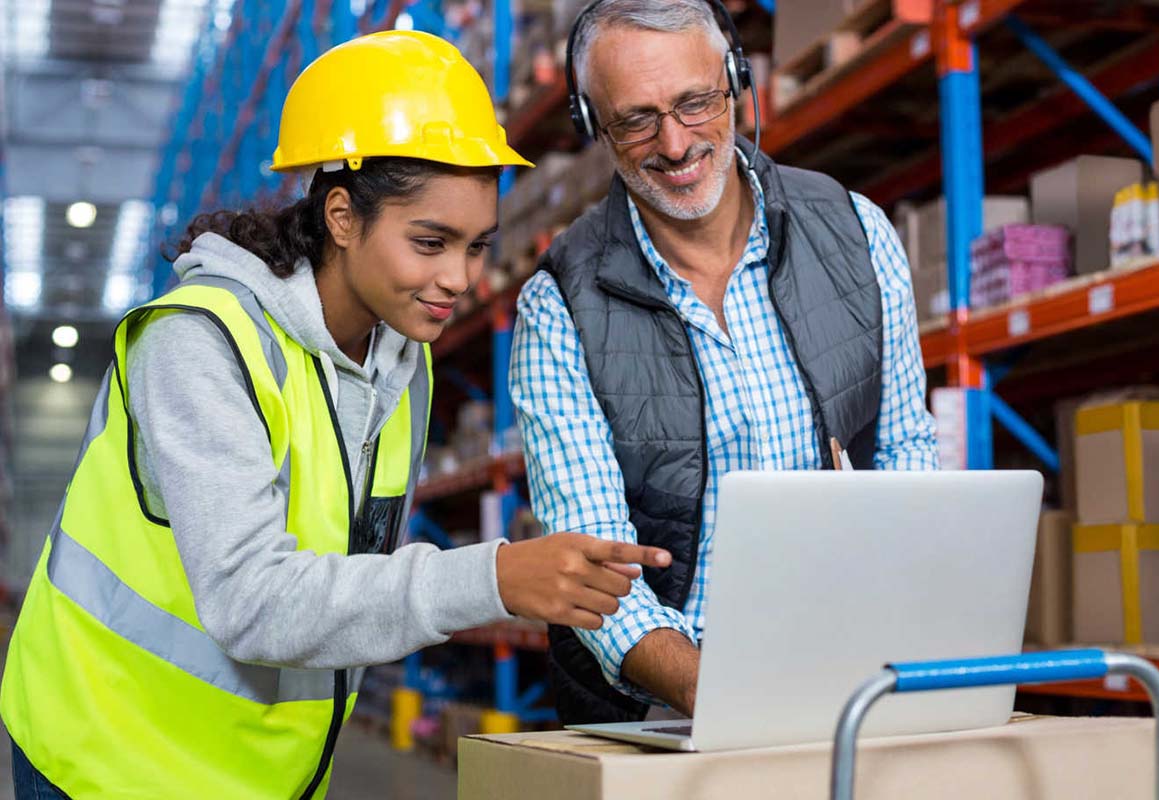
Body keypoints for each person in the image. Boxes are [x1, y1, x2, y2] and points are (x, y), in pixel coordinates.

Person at [1, 30, 669, 799]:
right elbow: (252, 602)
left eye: (478, 245)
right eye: (430, 241)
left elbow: (345, 573)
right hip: (107, 754)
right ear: (343, 217)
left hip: (264, 770)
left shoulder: (401, 358)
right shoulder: (199, 342)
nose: (457, 278)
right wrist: (493, 577)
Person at [510, 0, 939, 726]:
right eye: (636, 119)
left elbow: (905, 451)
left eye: (695, 102)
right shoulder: (559, 307)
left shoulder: (856, 233)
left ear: (737, 81)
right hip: (661, 709)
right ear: (594, 127)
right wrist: (720, 693)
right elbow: (594, 572)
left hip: (852, 681)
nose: (675, 144)